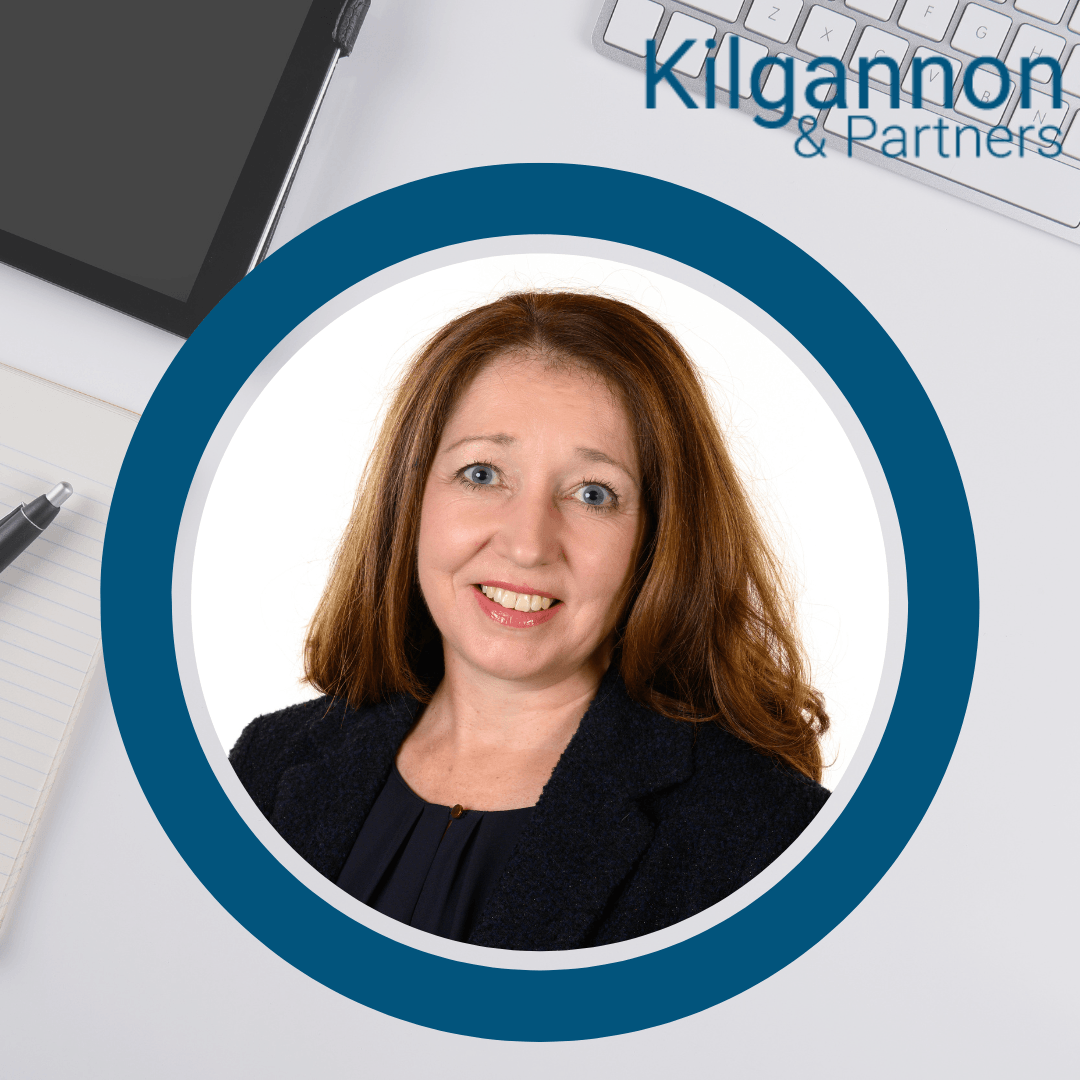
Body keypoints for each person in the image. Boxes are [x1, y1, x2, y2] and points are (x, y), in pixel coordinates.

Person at [230, 291, 831, 951]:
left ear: (660, 538)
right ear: (411, 499)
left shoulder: (769, 842)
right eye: (482, 473)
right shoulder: (267, 763)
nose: (527, 544)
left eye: (593, 494)